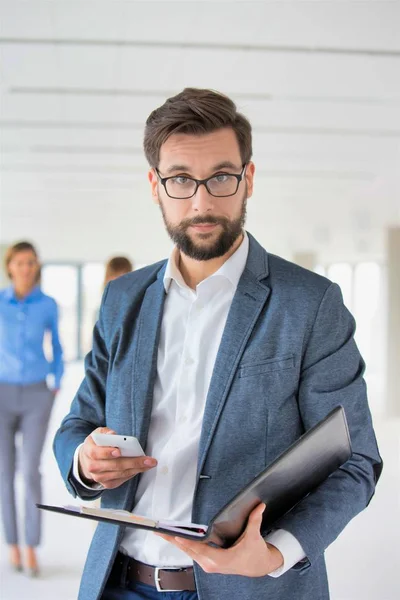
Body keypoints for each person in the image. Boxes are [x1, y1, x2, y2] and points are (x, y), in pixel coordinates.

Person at [54, 88, 382, 600]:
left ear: (248, 179)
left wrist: (278, 550)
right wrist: (84, 462)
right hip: (120, 582)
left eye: (221, 177)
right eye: (181, 179)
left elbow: (356, 460)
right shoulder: (122, 299)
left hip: (252, 589)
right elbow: (79, 422)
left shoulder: (310, 304)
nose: (202, 201)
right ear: (155, 186)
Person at [0, 241, 64, 576]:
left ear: (36, 266)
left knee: (31, 472)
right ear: (10, 266)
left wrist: (56, 382)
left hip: (38, 394)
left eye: (31, 263)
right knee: (5, 474)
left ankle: (32, 547)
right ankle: (13, 545)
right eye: (20, 263)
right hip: (2, 394)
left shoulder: (48, 304)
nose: (26, 268)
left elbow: (56, 344)